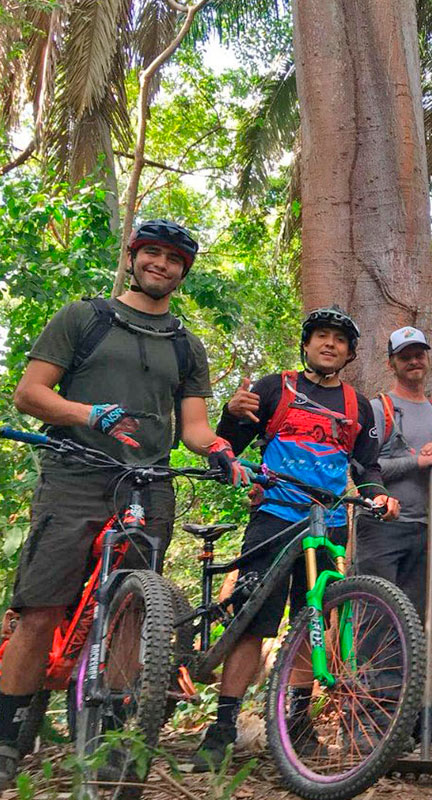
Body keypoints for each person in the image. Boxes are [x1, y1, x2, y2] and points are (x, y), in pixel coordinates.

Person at [0, 220, 247, 787]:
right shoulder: (82, 319)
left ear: (184, 272)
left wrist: (221, 450)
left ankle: (112, 732)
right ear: (134, 257)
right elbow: (31, 393)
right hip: (76, 473)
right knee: (41, 608)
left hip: (149, 481)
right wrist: (90, 414)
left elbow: (194, 427)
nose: (161, 264)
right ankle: (8, 737)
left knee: (136, 610)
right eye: (152, 254)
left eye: (174, 259)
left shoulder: (186, 345)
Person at [192, 305, 399, 770]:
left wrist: (379, 495)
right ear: (306, 344)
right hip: (273, 516)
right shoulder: (273, 387)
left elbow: (366, 466)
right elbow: (226, 449)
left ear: (348, 354)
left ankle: (298, 721)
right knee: (255, 620)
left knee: (314, 618)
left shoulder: (356, 406)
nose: (329, 344)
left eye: (339, 340)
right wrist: (228, 418)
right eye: (321, 336)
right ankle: (222, 726)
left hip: (326, 522)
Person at [355, 326, 432, 616]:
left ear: (428, 359)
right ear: (391, 364)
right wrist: (417, 462)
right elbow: (363, 469)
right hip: (380, 527)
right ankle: (369, 664)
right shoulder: (378, 408)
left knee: (411, 619)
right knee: (377, 614)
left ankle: (406, 665)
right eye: (405, 357)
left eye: (419, 355)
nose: (414, 361)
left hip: (422, 528)